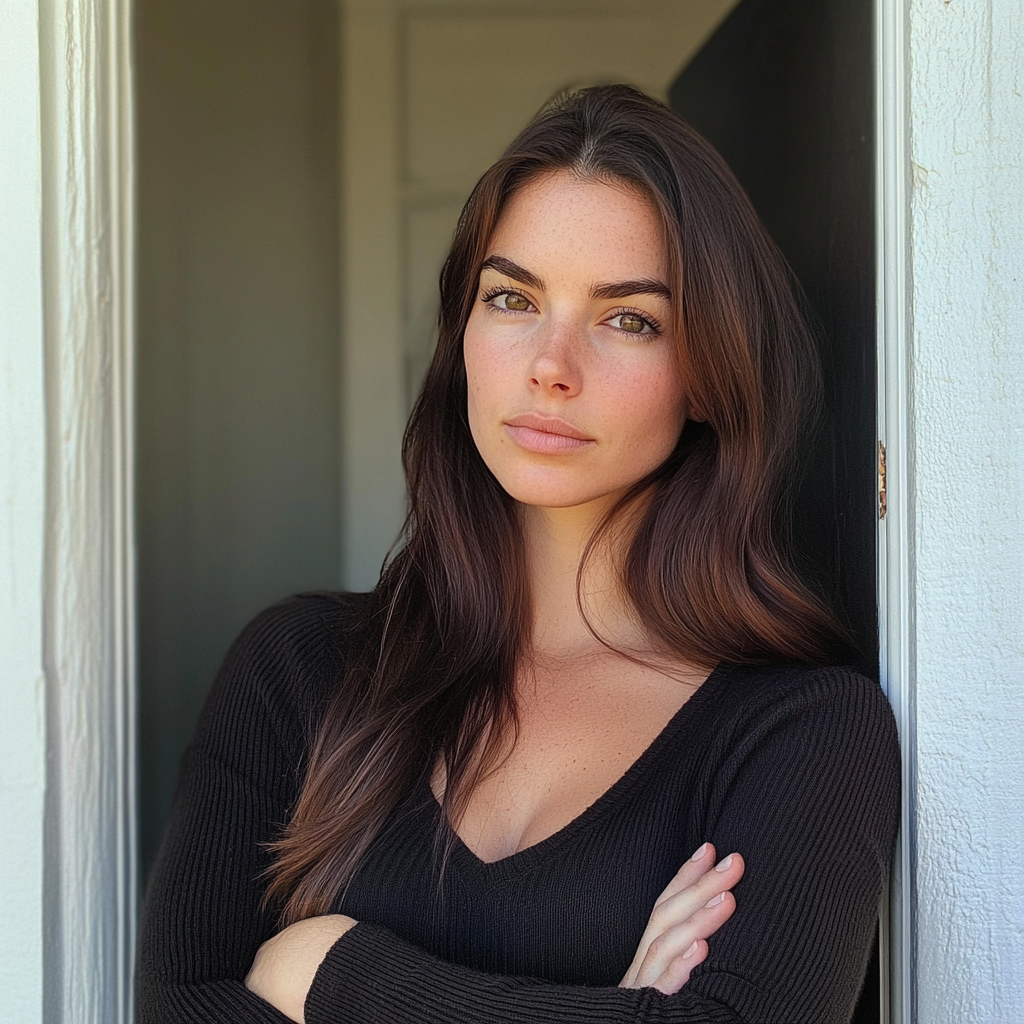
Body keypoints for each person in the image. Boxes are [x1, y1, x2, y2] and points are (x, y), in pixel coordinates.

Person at [136, 86, 900, 1024]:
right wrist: (608, 1008)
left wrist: (333, 973)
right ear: (463, 335)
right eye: (512, 298)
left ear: (707, 373)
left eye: (628, 319)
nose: (551, 363)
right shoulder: (296, 673)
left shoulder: (804, 734)